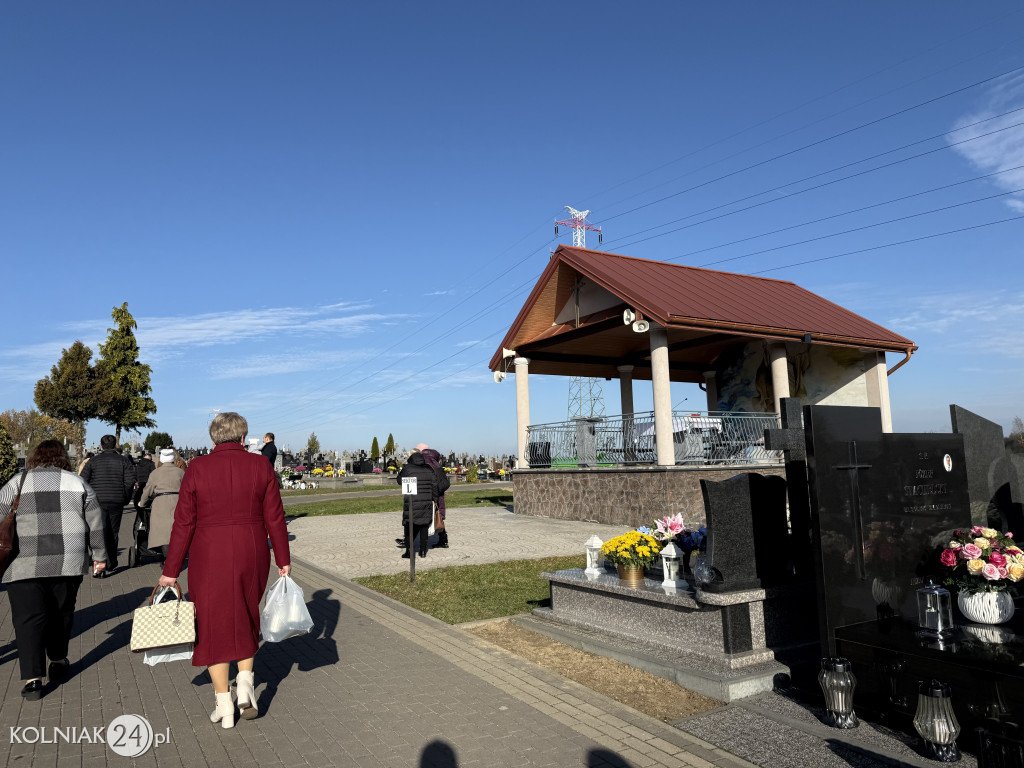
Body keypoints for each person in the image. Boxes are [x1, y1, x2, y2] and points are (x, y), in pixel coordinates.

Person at [158, 412, 290, 729]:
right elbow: (275, 516)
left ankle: (224, 705)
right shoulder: (261, 466)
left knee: (212, 624)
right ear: (243, 438)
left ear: (213, 438)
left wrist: (170, 570)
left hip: (209, 553)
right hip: (251, 549)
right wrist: (283, 558)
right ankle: (245, 683)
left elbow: (184, 522)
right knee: (246, 612)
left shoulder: (197, 468)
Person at [0, 440, 107, 700]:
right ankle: (58, 660)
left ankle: (33, 680)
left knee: (27, 620)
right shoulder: (77, 482)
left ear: (34, 458)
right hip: (67, 560)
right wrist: (99, 556)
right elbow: (95, 522)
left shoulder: (16, 483)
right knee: (62, 613)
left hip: (22, 562)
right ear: (64, 457)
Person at [80, 435, 135, 576]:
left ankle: (99, 563)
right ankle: (111, 562)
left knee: (99, 531)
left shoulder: (93, 461)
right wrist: (125, 498)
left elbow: (83, 481)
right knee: (113, 532)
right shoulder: (123, 461)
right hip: (116, 499)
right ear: (115, 444)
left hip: (97, 501)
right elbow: (129, 482)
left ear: (101, 445)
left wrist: (87, 499)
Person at [138, 448, 185, 557]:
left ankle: (165, 555)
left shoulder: (155, 473)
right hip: (177, 501)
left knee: (162, 532)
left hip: (160, 502)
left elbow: (148, 490)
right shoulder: (180, 472)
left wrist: (142, 503)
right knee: (174, 529)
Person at [396, 449, 438, 559]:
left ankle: (409, 551)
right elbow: (434, 486)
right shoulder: (429, 469)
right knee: (424, 526)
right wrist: (435, 499)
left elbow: (400, 481)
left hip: (411, 501)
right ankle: (423, 551)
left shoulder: (407, 468)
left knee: (409, 526)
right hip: (426, 502)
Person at [416, 444, 452, 549]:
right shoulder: (436, 464)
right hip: (437, 495)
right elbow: (445, 483)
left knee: (420, 517)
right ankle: (443, 540)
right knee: (437, 518)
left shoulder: (426, 464)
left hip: (429, 495)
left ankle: (409, 539)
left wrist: (431, 492)